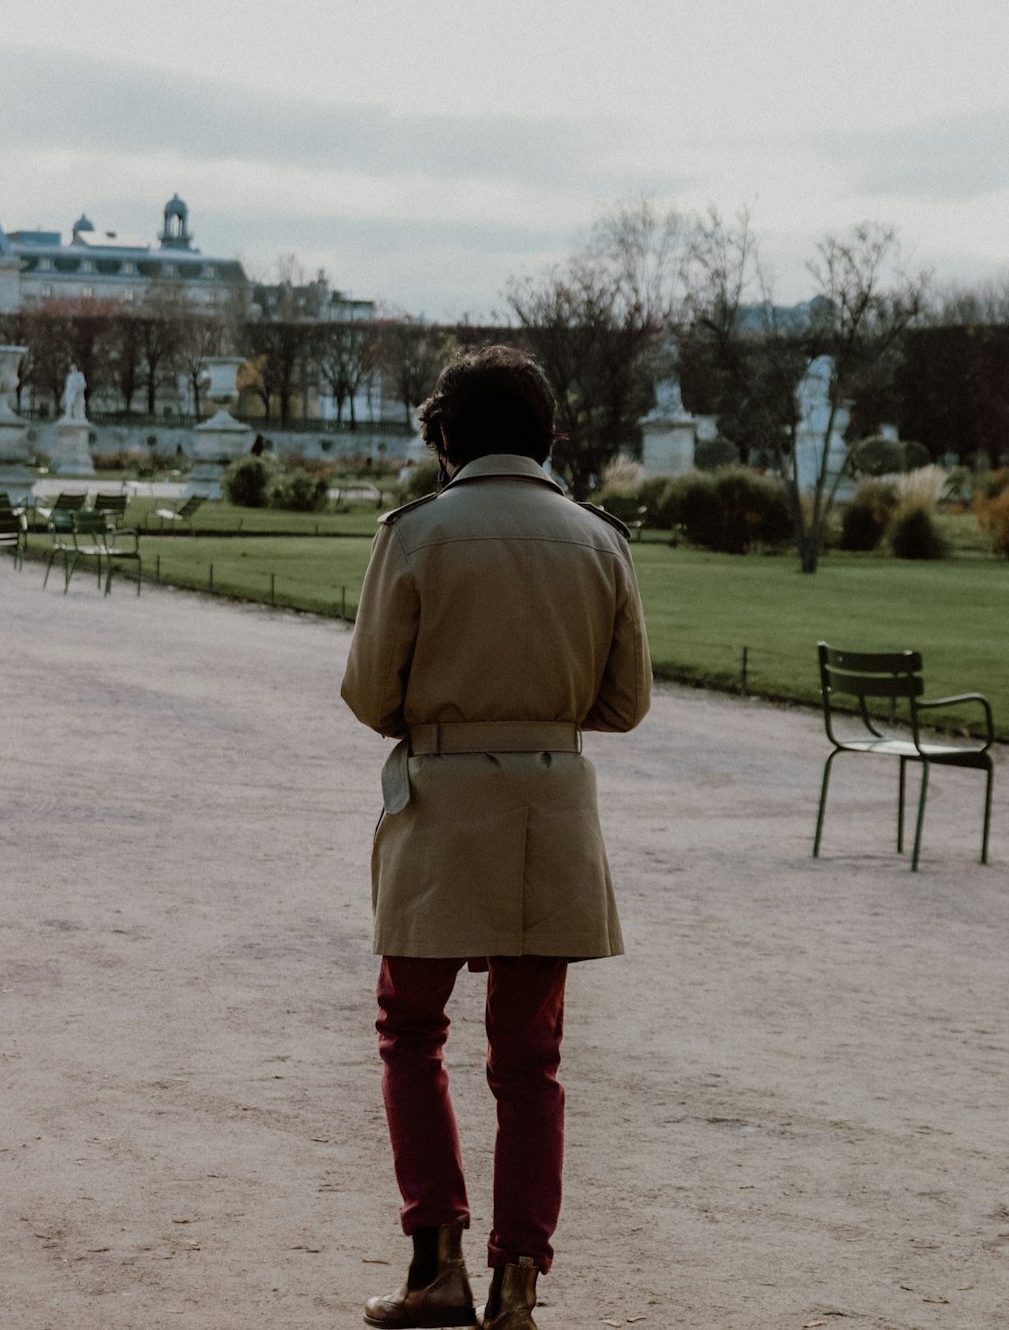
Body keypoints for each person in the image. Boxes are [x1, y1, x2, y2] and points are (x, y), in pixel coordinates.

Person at [341, 345, 651, 1330]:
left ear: (446, 434)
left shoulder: (417, 534)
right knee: (530, 1062)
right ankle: (519, 1278)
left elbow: (368, 694)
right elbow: (626, 701)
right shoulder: (601, 541)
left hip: (439, 804)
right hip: (551, 810)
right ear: (547, 434)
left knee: (410, 1032)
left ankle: (437, 1260)